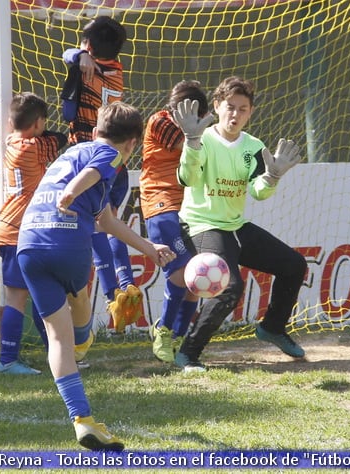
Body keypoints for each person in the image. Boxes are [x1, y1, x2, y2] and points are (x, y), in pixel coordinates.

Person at [17, 102, 176, 450]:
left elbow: (106, 221)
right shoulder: (111, 154)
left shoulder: (70, 154)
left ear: (95, 130)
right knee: (79, 315)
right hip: (65, 240)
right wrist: (72, 191)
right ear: (132, 143)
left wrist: (149, 247)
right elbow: (97, 169)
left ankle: (83, 421)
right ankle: (84, 340)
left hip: (28, 245)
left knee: (57, 339)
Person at [171, 76, 308, 372]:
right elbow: (188, 179)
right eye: (230, 107)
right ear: (217, 106)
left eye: (242, 109)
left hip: (235, 225)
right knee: (231, 287)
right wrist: (192, 143)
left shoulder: (254, 146)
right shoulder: (202, 138)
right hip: (201, 225)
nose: (235, 114)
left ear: (251, 112)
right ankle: (188, 354)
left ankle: (272, 327)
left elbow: (258, 192)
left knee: (294, 265)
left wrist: (272, 176)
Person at [62, 15, 144, 335]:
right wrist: (82, 54)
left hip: (91, 161)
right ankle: (126, 286)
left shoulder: (86, 70)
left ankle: (113, 297)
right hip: (117, 164)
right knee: (109, 224)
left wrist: (78, 57)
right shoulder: (116, 70)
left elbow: (69, 109)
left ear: (89, 46)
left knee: (97, 229)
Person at [0, 92, 66, 375]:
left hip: (23, 230)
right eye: (43, 122)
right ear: (37, 124)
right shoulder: (33, 147)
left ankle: (57, 353)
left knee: (41, 293)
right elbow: (60, 139)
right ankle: (7, 360)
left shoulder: (12, 141)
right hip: (16, 231)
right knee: (17, 297)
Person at [140, 80, 207, 362]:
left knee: (198, 278)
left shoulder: (200, 130)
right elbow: (188, 146)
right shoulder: (160, 121)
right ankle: (164, 329)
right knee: (180, 272)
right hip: (161, 202)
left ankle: (178, 336)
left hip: (190, 207)